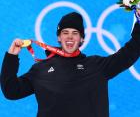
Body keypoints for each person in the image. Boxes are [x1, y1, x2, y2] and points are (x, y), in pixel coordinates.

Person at [0, 11, 140, 117]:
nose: (70, 36)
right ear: (59, 38)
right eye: (65, 32)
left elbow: (130, 52)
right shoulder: (40, 69)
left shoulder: (97, 66)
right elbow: (11, 91)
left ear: (82, 39)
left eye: (75, 33)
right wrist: (11, 57)